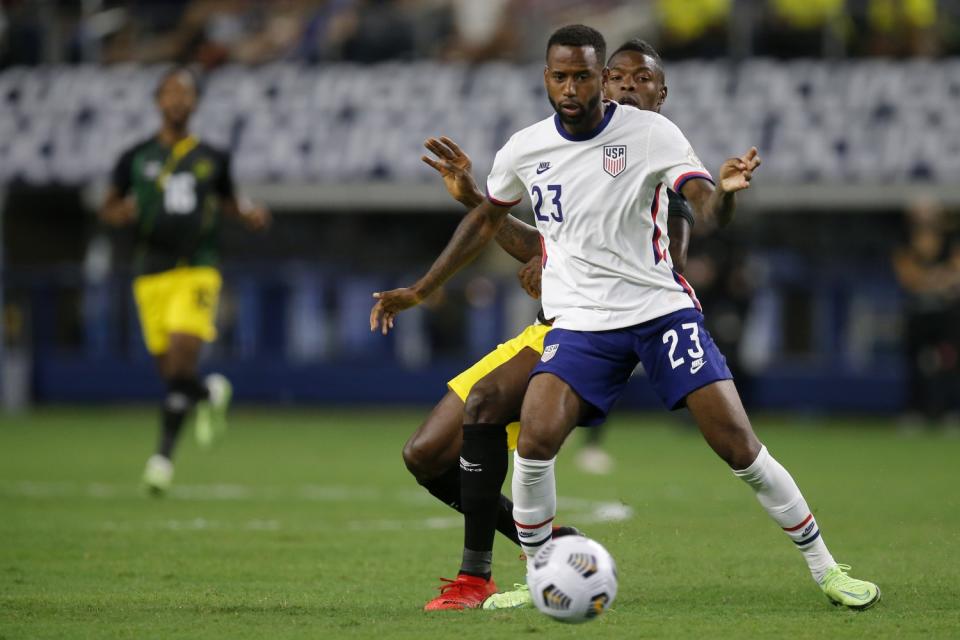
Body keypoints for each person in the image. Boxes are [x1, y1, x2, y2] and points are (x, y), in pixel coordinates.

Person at [372, 25, 879, 611]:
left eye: (585, 76)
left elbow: (701, 199)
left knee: (738, 445)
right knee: (535, 441)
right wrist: (423, 288)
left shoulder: (650, 134)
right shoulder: (525, 148)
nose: (573, 86)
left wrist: (730, 191)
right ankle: (541, 573)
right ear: (546, 78)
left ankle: (827, 567)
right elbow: (490, 220)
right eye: (563, 76)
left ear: (602, 82)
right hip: (580, 323)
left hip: (658, 313)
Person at [401, 38, 696, 611]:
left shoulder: (663, 169)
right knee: (425, 455)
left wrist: (553, 263)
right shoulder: (558, 151)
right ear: (601, 87)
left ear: (662, 94)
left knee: (485, 406)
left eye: (643, 80)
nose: (629, 88)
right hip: (543, 330)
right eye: (619, 79)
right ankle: (556, 547)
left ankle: (476, 576)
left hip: (593, 335)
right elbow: (547, 246)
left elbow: (667, 268)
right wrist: (477, 205)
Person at [100, 67, 270, 494]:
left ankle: (161, 459)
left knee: (179, 360)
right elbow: (109, 204)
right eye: (171, 93)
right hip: (150, 274)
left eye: (186, 94)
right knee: (171, 374)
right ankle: (209, 393)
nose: (178, 100)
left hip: (197, 268)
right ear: (158, 101)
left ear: (194, 104)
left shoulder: (213, 157)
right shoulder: (134, 157)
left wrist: (249, 213)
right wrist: (118, 214)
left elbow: (232, 201)